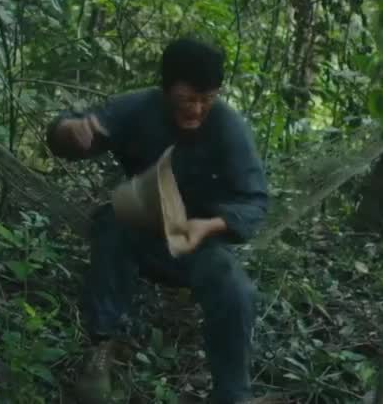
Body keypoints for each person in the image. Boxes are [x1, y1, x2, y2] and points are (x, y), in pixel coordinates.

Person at [46, 37, 270, 403]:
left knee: (236, 291)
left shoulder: (229, 127)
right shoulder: (139, 107)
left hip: (196, 242)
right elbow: (70, 129)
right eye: (186, 99)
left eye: (206, 99)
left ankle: (233, 395)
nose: (196, 110)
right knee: (111, 222)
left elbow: (255, 200)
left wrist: (209, 226)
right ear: (165, 90)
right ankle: (100, 347)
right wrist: (69, 131)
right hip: (141, 228)